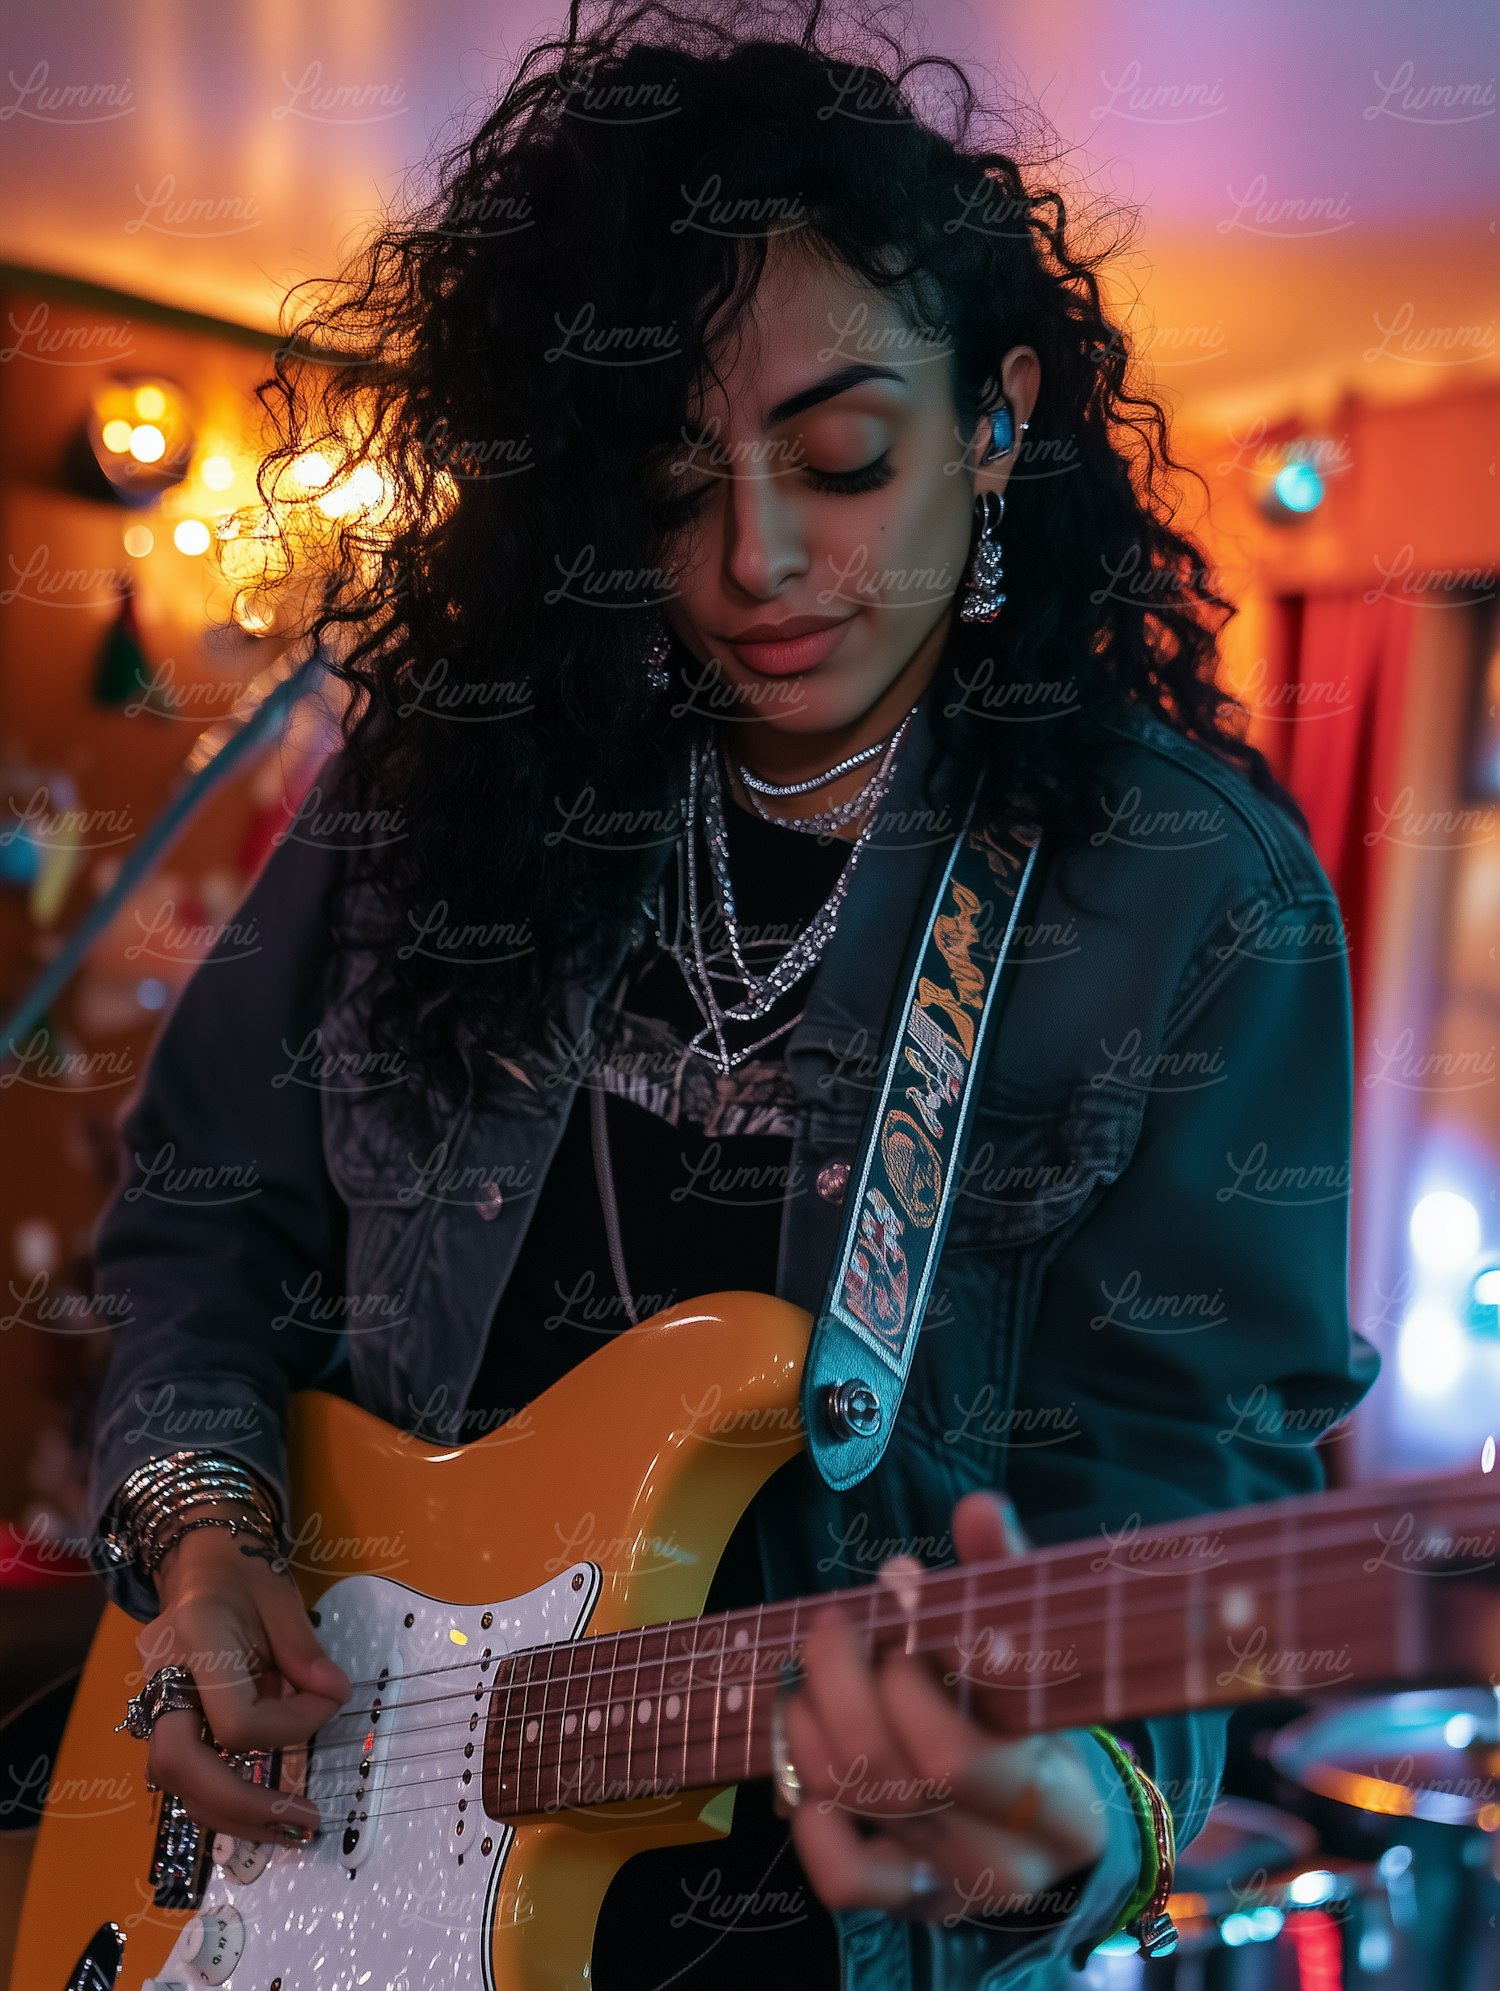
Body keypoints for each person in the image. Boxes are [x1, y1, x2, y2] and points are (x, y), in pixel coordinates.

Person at [80, 5, 1380, 1988]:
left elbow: (1194, 1465)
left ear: (1002, 412)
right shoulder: (446, 783)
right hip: (306, 1873)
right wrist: (194, 1531)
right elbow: (204, 1211)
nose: (759, 560)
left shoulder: (1184, 886)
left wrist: (1072, 1804)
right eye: (675, 488)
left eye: (843, 457)